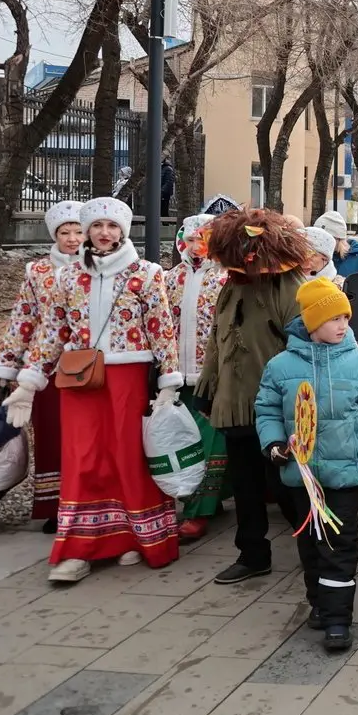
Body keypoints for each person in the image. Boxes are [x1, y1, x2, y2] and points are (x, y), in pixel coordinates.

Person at [2, 198, 181, 583]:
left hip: (127, 376)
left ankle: (136, 536)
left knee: (128, 455)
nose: (104, 233)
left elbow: (162, 329)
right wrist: (28, 382)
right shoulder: (68, 279)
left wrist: (169, 382)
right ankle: (79, 549)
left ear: (123, 230)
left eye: (112, 226)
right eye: (96, 226)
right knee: (81, 457)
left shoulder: (147, 274)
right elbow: (52, 331)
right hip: (80, 379)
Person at [256, 277, 358, 652]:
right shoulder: (281, 365)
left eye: (345, 319)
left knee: (340, 544)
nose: (341, 325)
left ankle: (338, 619)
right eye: (333, 318)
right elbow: (267, 408)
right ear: (310, 322)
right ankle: (319, 603)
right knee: (310, 543)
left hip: (345, 475)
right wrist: (273, 444)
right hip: (300, 475)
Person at [195, 207, 308, 585]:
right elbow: (217, 339)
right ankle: (252, 553)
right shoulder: (231, 286)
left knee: (284, 481)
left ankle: (315, 544)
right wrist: (208, 387)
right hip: (233, 400)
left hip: (274, 404)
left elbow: (304, 343)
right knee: (244, 482)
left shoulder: (287, 286)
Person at [0, 200, 83, 529]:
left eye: (78, 231)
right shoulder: (38, 272)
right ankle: (54, 505)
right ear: (54, 235)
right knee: (50, 436)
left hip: (85, 367)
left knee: (81, 438)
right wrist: (6, 365)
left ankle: (82, 500)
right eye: (65, 232)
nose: (72, 238)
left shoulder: (95, 268)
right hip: (44, 369)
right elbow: (22, 321)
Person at [166, 214, 230, 541]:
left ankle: (198, 511)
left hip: (213, 374)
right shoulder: (171, 278)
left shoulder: (226, 278)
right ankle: (207, 499)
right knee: (186, 442)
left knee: (210, 443)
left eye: (202, 240)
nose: (196, 247)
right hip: (179, 376)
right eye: (191, 240)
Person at [314, 210, 358, 279]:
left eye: (325, 238)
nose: (320, 242)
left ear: (338, 237)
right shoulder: (315, 258)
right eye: (317, 237)